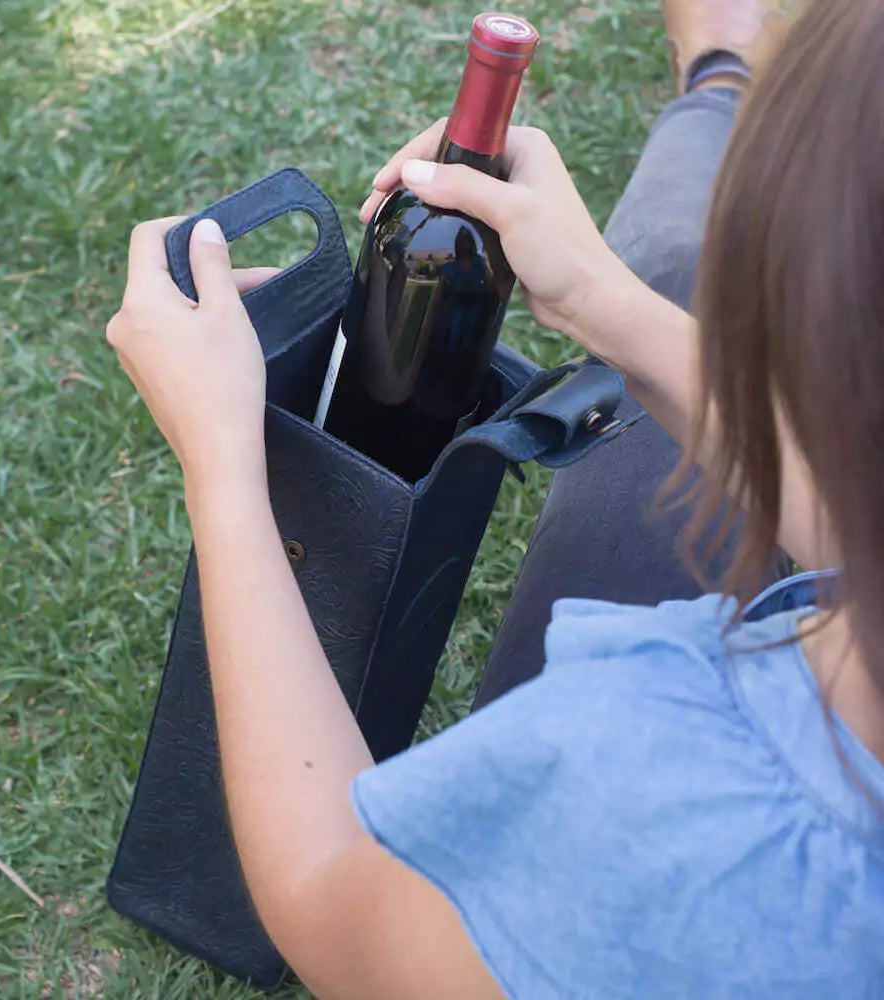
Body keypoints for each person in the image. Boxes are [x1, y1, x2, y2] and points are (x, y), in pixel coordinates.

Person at [104, 0, 884, 996]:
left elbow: (335, 905)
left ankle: (718, 81)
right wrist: (596, 298)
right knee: (660, 314)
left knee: (676, 283)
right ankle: (717, 79)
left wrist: (225, 468)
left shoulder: (652, 774)